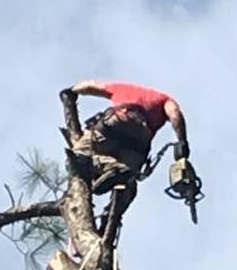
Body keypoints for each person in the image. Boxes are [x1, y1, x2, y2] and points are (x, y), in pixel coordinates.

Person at [59, 79, 190, 194]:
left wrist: (72, 90)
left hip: (116, 125)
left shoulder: (123, 89)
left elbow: (91, 86)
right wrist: (182, 141)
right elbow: (175, 115)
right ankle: (113, 169)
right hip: (138, 142)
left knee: (77, 157)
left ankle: (104, 165)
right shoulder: (165, 100)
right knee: (127, 176)